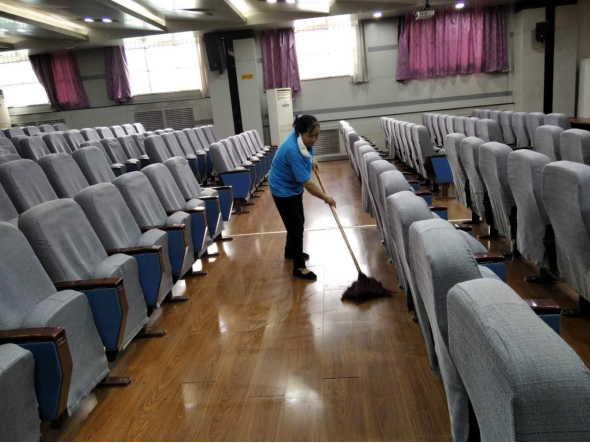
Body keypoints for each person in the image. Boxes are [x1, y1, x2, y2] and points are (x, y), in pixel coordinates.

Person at [269, 115, 337, 281]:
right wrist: (326, 197)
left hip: (293, 186)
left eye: (317, 135)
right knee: (296, 225)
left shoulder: (302, 140)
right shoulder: (292, 150)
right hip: (282, 189)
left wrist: (312, 159)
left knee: (297, 221)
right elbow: (307, 183)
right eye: (310, 136)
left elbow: (306, 152)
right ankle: (299, 267)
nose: (314, 139)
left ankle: (290, 251)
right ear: (299, 133)